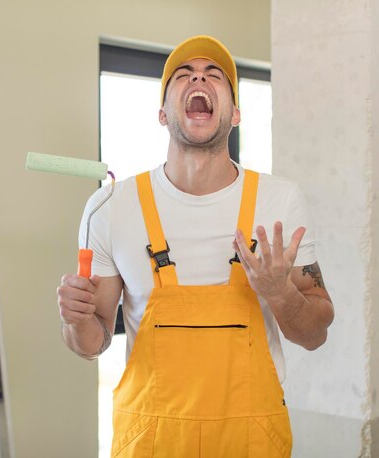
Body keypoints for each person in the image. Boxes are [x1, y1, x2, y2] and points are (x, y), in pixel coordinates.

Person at [57, 35, 334, 457]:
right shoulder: (111, 207)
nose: (198, 78)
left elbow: (315, 334)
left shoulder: (279, 202)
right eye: (183, 75)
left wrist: (280, 292)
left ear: (236, 113)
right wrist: (75, 322)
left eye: (213, 75)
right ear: (163, 114)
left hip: (250, 443)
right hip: (151, 442)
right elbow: (92, 343)